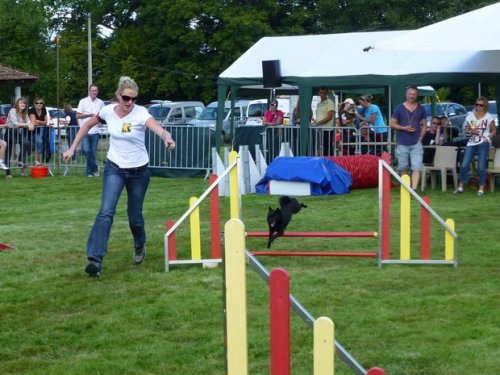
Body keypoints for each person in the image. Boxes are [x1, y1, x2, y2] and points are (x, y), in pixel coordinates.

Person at [62, 76, 176, 278]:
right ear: (118, 96)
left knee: (135, 218)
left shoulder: (141, 113)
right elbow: (87, 126)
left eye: (133, 98)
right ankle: (95, 260)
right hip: (115, 168)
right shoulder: (107, 111)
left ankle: (139, 244)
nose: (129, 102)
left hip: (139, 172)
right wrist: (72, 147)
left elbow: (158, 128)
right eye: (126, 98)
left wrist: (167, 138)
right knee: (106, 212)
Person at [454, 96, 496, 196]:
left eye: (481, 105)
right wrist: (471, 131)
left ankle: (481, 188)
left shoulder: (489, 116)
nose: (478, 106)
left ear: (485, 106)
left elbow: (494, 130)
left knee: (481, 166)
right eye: (477, 104)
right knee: (464, 165)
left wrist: (487, 138)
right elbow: (467, 129)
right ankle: (460, 187)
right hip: (472, 142)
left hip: (483, 142)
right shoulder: (470, 115)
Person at [390, 85, 427, 190]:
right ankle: (406, 189)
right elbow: (392, 124)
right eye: (410, 94)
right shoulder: (399, 108)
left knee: (416, 167)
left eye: (414, 94)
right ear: (406, 94)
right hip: (402, 142)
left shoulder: (421, 108)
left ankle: (414, 190)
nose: (412, 96)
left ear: (417, 95)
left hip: (416, 143)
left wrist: (421, 137)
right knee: (403, 168)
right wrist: (403, 128)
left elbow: (424, 124)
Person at [77, 84, 105, 177]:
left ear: (97, 92)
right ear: (89, 91)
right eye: (92, 90)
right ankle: (95, 169)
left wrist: (101, 122)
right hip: (85, 130)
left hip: (95, 131)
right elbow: (78, 115)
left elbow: (104, 116)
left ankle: (89, 172)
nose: (94, 92)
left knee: (93, 153)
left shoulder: (101, 102)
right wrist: (89, 115)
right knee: (86, 150)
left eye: (95, 91)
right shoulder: (83, 101)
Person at [6, 97, 33, 176]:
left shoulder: (25, 113)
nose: (23, 105)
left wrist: (30, 125)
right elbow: (15, 123)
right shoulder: (12, 110)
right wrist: (27, 125)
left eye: (24, 103)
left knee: (26, 143)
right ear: (17, 104)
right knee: (8, 152)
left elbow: (30, 124)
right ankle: (8, 173)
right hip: (9, 132)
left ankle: (20, 161)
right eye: (21, 103)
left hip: (18, 132)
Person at [311, 87, 335, 155]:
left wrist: (317, 123)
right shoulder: (318, 103)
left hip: (327, 130)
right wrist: (316, 122)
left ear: (327, 93)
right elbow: (320, 116)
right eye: (321, 92)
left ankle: (329, 163)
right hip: (319, 129)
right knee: (320, 148)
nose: (322, 94)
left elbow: (330, 117)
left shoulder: (330, 102)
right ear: (318, 93)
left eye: (324, 93)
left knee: (327, 149)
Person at [28, 97, 49, 165]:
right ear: (34, 104)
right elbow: (34, 123)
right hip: (29, 131)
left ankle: (37, 161)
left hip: (39, 131)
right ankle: (33, 161)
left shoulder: (44, 109)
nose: (39, 104)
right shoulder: (32, 110)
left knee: (40, 142)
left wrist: (39, 121)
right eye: (37, 103)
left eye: (41, 103)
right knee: (38, 143)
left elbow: (46, 122)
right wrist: (41, 122)